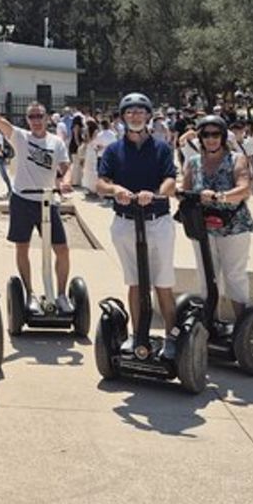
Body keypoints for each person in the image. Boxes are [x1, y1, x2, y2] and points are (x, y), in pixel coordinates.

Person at [96, 93, 180, 358]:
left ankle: (171, 338)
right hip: (125, 222)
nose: (135, 116)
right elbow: (101, 183)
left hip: (157, 222)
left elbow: (170, 181)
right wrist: (115, 189)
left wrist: (153, 193)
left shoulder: (161, 147)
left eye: (140, 112)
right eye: (130, 112)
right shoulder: (113, 150)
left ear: (148, 116)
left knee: (162, 283)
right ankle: (137, 336)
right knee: (134, 282)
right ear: (123, 117)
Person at [0, 87, 74, 315]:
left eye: (40, 116)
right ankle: (30, 293)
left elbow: (65, 167)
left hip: (47, 200)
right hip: (22, 199)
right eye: (32, 117)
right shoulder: (20, 137)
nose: (36, 120)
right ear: (27, 120)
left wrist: (66, 181)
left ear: (47, 118)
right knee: (22, 247)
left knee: (61, 249)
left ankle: (60, 295)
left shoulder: (56, 142)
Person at [178, 115, 253, 320]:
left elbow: (244, 188)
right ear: (200, 138)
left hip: (233, 227)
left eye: (215, 134)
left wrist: (220, 196)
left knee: (234, 275)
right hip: (202, 228)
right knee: (206, 277)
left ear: (223, 136)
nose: (211, 139)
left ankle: (243, 325)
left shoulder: (236, 159)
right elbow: (184, 190)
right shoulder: (193, 163)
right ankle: (210, 323)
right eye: (205, 135)